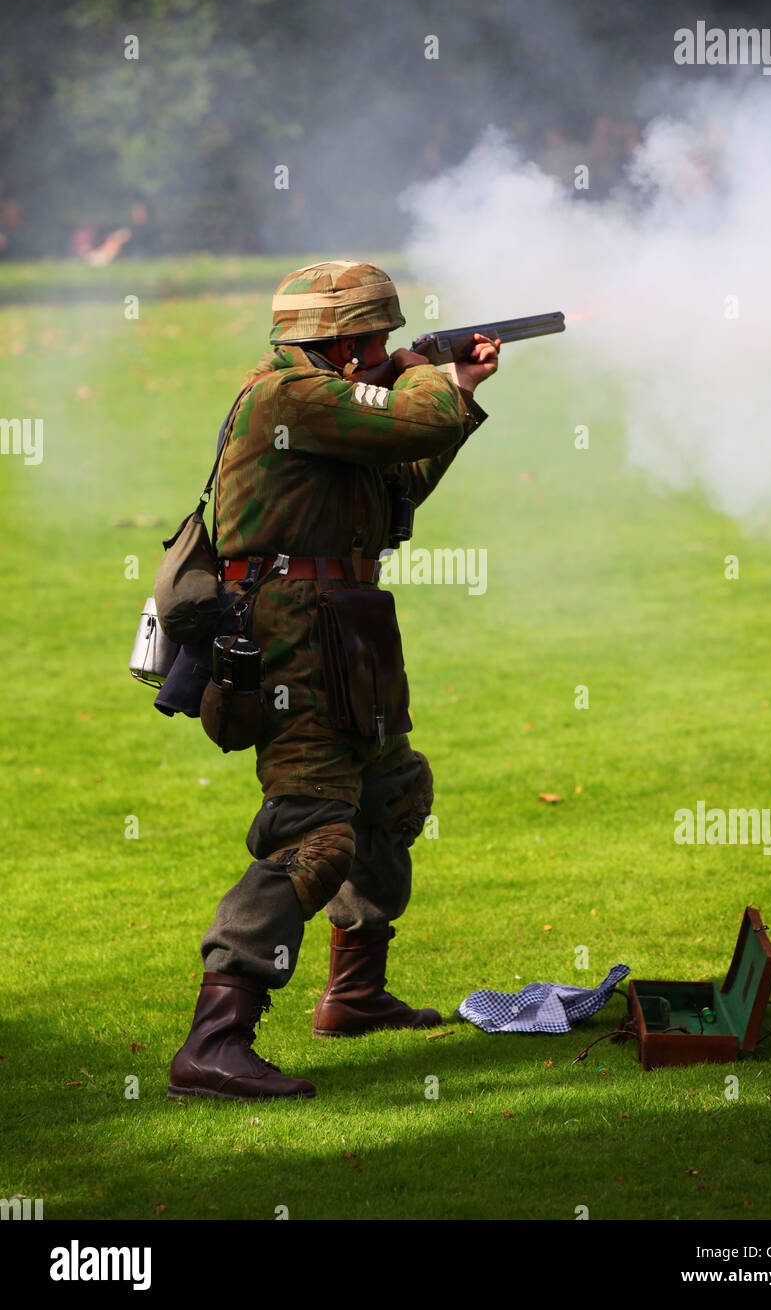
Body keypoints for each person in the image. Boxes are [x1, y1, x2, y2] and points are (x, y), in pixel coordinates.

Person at [168, 261, 499, 1100]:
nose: (387, 349)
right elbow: (415, 417)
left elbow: (397, 484)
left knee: (393, 798)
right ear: (345, 342)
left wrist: (452, 390)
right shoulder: (291, 398)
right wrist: (431, 376)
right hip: (294, 637)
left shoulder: (331, 405)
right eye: (379, 339)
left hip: (347, 627)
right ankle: (214, 1041)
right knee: (312, 834)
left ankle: (354, 994)